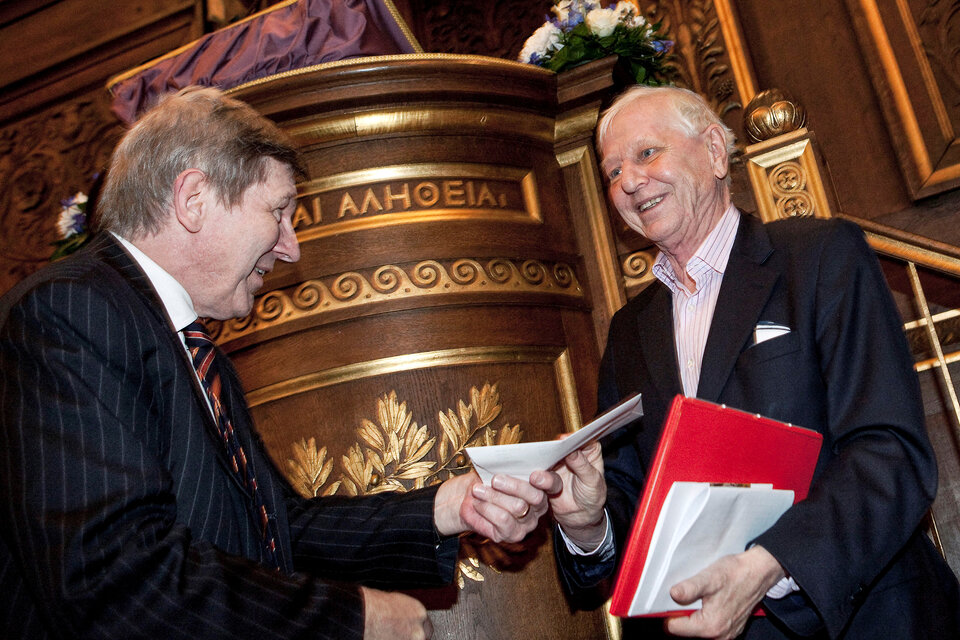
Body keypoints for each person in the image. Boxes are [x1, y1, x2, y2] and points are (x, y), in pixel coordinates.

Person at [0, 86, 551, 640]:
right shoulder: (69, 311)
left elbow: (278, 531)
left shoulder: (189, 343)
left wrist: (450, 507)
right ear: (194, 198)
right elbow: (116, 578)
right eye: (279, 212)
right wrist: (354, 618)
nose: (291, 248)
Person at [536, 85, 960, 639]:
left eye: (645, 154)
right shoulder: (629, 331)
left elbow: (889, 451)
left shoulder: (819, 257)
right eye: (612, 171)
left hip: (867, 620)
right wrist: (587, 522)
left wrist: (769, 564)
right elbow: (633, 499)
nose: (629, 182)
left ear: (715, 151)